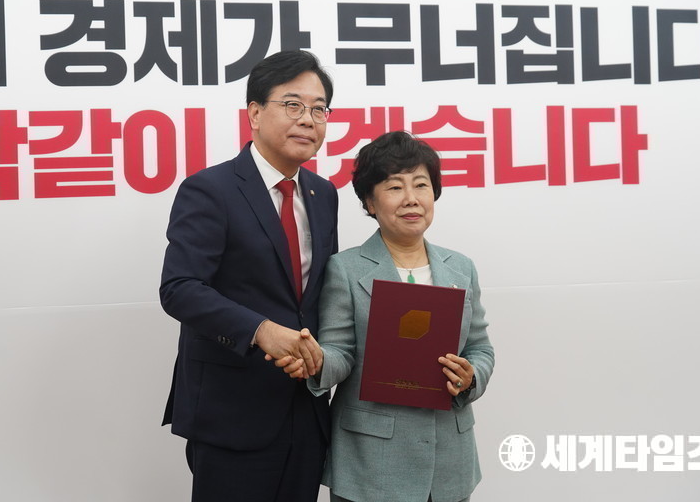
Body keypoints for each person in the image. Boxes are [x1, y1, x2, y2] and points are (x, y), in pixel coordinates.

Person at [159, 50, 339, 502]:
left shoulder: (323, 194)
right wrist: (261, 331)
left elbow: (318, 296)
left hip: (306, 408)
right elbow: (180, 289)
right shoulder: (210, 189)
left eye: (319, 109)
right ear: (255, 114)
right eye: (293, 105)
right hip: (232, 411)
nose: (308, 119)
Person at [278, 130, 495, 502]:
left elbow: (480, 348)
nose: (411, 198)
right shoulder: (345, 269)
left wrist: (471, 375)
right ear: (370, 201)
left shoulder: (461, 268)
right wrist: (316, 361)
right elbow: (340, 352)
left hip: (448, 464)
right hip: (371, 463)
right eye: (395, 187)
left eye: (421, 185)